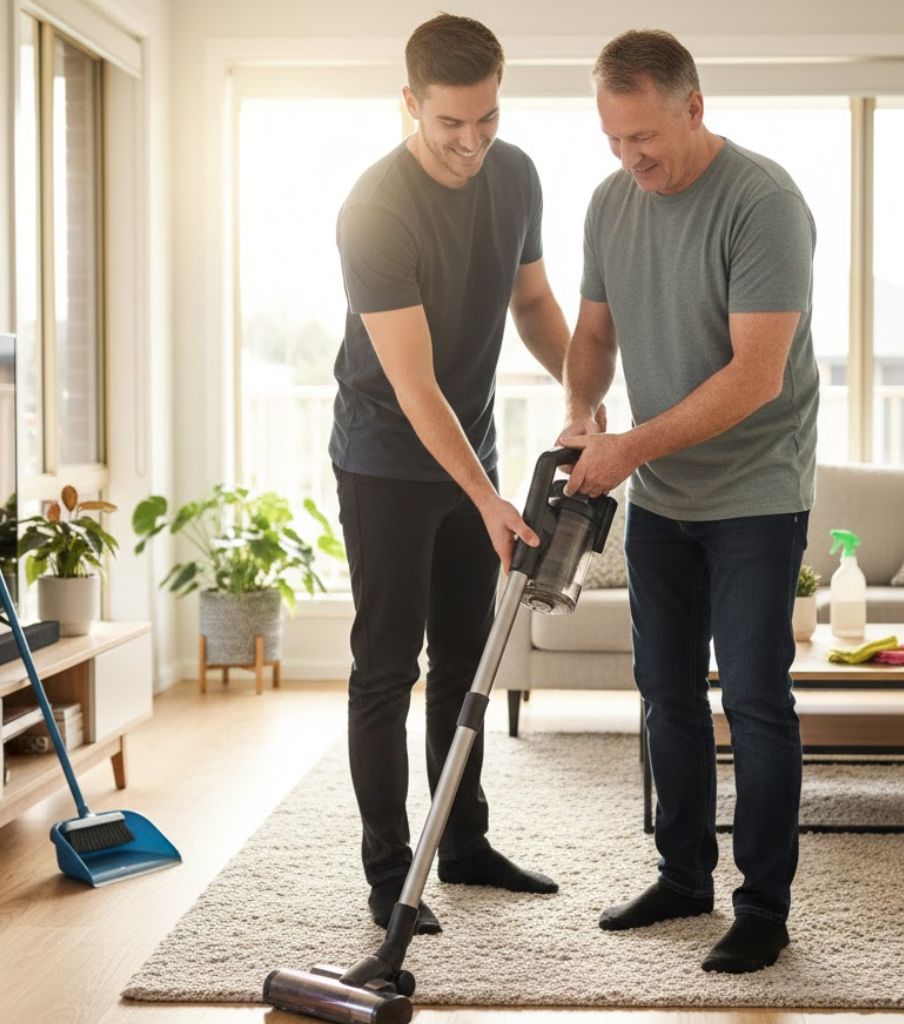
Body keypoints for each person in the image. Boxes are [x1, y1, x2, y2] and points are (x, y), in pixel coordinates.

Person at [559, 29, 819, 973]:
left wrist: (628, 448)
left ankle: (763, 907)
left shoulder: (763, 203)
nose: (631, 157)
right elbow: (595, 335)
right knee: (666, 692)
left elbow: (756, 376)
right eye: (614, 139)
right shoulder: (610, 202)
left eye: (645, 137)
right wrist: (583, 414)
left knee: (753, 698)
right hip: (664, 494)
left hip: (756, 491)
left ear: (694, 107)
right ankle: (682, 877)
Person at [330, 14, 571, 935]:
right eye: (449, 124)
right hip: (385, 461)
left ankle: (463, 844)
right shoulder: (374, 209)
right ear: (409, 104)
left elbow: (534, 301)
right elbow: (414, 383)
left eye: (487, 119)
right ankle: (390, 871)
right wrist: (486, 498)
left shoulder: (517, 175)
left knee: (464, 660)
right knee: (386, 665)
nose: (472, 143)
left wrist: (585, 395)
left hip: (470, 451)